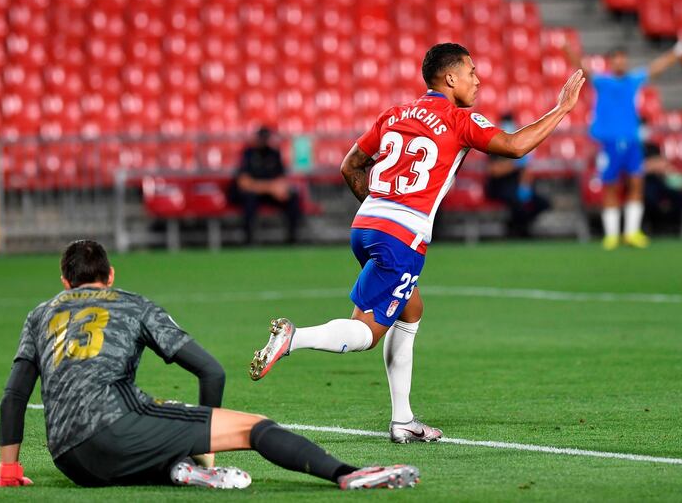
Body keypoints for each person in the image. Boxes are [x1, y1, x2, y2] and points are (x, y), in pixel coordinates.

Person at [249, 43, 585, 443]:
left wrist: (381, 210)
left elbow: (349, 165)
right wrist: (562, 108)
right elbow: (514, 146)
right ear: (450, 79)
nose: (478, 80)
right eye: (471, 72)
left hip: (366, 224)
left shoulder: (395, 114)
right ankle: (293, 338)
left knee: (411, 310)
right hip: (401, 236)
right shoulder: (460, 120)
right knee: (366, 334)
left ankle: (403, 420)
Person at [0, 240, 418, 490]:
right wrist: (209, 441)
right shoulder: (133, 305)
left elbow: (15, 394)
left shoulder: (41, 313)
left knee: (160, 414)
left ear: (64, 281)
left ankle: (178, 470)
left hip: (70, 460)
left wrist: (9, 472)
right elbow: (210, 370)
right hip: (116, 428)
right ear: (110, 275)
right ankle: (347, 475)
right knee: (255, 427)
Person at [564, 40, 682, 250]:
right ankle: (612, 234)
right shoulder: (603, 82)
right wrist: (568, 50)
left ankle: (631, 232)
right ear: (611, 62)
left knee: (636, 184)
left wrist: (676, 53)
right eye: (617, 58)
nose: (621, 62)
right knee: (610, 187)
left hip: (631, 141)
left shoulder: (633, 80)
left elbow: (656, 68)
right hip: (609, 143)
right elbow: (583, 69)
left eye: (623, 58)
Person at [229, 126, 302, 245]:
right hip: (253, 194)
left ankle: (292, 238)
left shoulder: (274, 154)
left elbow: (281, 179)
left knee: (292, 197)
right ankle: (249, 240)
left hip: (269, 195)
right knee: (249, 199)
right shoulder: (248, 154)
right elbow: (244, 183)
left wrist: (279, 189)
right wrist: (270, 188)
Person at [484, 113, 551, 237]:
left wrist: (524, 186)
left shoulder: (518, 145)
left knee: (543, 203)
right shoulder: (494, 144)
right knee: (516, 203)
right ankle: (516, 230)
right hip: (499, 187)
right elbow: (494, 170)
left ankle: (520, 227)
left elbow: (526, 170)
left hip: (515, 185)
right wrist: (514, 164)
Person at [642, 140, 682, 232]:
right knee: (648, 196)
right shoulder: (638, 161)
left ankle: (674, 226)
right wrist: (649, 168)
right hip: (647, 189)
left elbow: (681, 182)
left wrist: (667, 171)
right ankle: (653, 227)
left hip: (664, 187)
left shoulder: (662, 161)